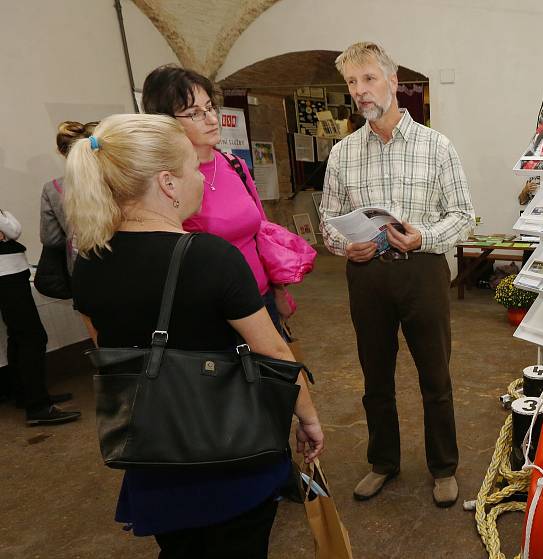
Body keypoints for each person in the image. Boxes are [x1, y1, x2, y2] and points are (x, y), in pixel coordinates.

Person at [64, 113, 324, 556]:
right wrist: (309, 418)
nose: (201, 179)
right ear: (167, 183)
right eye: (192, 168)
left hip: (153, 452)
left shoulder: (90, 262)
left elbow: (108, 348)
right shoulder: (210, 258)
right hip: (227, 452)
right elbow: (274, 354)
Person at [320, 42, 474, 508]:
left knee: (435, 376)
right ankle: (382, 462)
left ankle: (444, 467)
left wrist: (423, 237)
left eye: (368, 79)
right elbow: (327, 217)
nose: (360, 91)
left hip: (422, 271)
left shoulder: (436, 146)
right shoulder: (343, 152)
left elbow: (464, 213)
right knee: (375, 377)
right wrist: (347, 245)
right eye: (352, 83)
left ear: (393, 81)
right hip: (367, 275)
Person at [142, 65, 315, 340]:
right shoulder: (166, 181)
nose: (211, 119)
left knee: (281, 379)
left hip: (261, 299)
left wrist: (279, 292)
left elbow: (262, 233)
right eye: (195, 113)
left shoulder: (233, 164)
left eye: (210, 107)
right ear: (167, 123)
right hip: (214, 311)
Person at [0, 209, 80, 425]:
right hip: (6, 276)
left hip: (12, 273)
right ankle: (38, 406)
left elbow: (11, 229)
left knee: (18, 336)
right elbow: (13, 230)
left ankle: (25, 396)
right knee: (32, 337)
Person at [40, 121, 98, 278]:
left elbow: (51, 239)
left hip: (83, 268)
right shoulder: (117, 179)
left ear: (60, 151)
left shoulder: (52, 189)